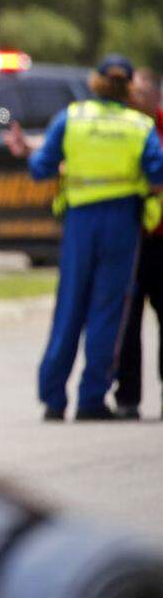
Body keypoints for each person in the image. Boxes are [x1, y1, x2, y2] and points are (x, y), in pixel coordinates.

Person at [5, 54, 163, 420]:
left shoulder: (72, 118)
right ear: (128, 88)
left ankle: (53, 399)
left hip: (80, 224)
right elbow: (156, 176)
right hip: (122, 222)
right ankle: (92, 399)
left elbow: (41, 168)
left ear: (95, 82)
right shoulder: (139, 126)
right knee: (108, 310)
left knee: (69, 308)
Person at [114, 68, 163, 419]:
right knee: (128, 321)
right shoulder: (126, 126)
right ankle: (127, 398)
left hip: (162, 241)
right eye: (133, 95)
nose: (136, 100)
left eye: (142, 94)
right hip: (131, 239)